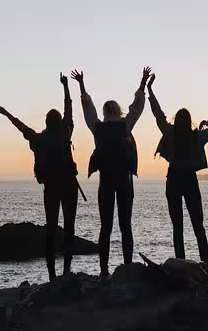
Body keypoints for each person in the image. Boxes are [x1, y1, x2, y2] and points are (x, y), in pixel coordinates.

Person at [71, 67, 151, 279]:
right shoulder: (126, 125)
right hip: (124, 180)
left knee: (105, 227)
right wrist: (142, 82)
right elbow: (138, 107)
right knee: (126, 226)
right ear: (118, 110)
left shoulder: (98, 128)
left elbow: (88, 108)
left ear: (105, 112)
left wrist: (81, 85)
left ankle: (104, 271)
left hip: (105, 181)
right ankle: (126, 267)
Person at [0, 73, 79, 281]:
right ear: (59, 121)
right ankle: (67, 270)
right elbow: (69, 109)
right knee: (69, 227)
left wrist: (7, 114)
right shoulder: (65, 133)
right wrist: (66, 87)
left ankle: (51, 273)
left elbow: (21, 127)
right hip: (69, 185)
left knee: (50, 229)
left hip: (50, 188)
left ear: (45, 122)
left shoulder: (39, 139)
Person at [146, 73, 208, 273]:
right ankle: (206, 264)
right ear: (189, 121)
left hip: (173, 180)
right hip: (189, 180)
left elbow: (157, 113)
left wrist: (150, 89)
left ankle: (180, 263)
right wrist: (206, 121)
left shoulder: (168, 132)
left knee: (177, 226)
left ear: (176, 120)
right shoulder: (198, 136)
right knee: (198, 225)